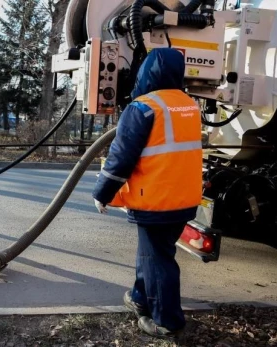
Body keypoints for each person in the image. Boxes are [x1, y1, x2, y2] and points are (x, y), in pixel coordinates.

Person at [92, 48, 202, 338]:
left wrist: (102, 192)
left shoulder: (142, 107)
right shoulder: (189, 105)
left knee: (158, 260)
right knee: (153, 254)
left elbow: (121, 157)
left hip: (155, 201)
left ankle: (168, 323)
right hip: (184, 199)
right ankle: (140, 297)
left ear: (145, 72)